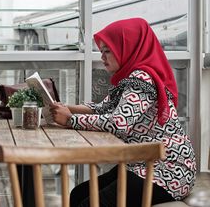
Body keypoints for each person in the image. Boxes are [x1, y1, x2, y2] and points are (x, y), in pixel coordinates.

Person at [50, 17, 196, 206]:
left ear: (127, 48)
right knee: (79, 194)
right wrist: (66, 108)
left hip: (166, 172)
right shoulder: (131, 77)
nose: (102, 57)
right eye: (101, 51)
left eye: (107, 51)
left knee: (87, 202)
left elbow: (120, 124)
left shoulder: (141, 79)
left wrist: (71, 120)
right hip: (143, 164)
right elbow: (102, 108)